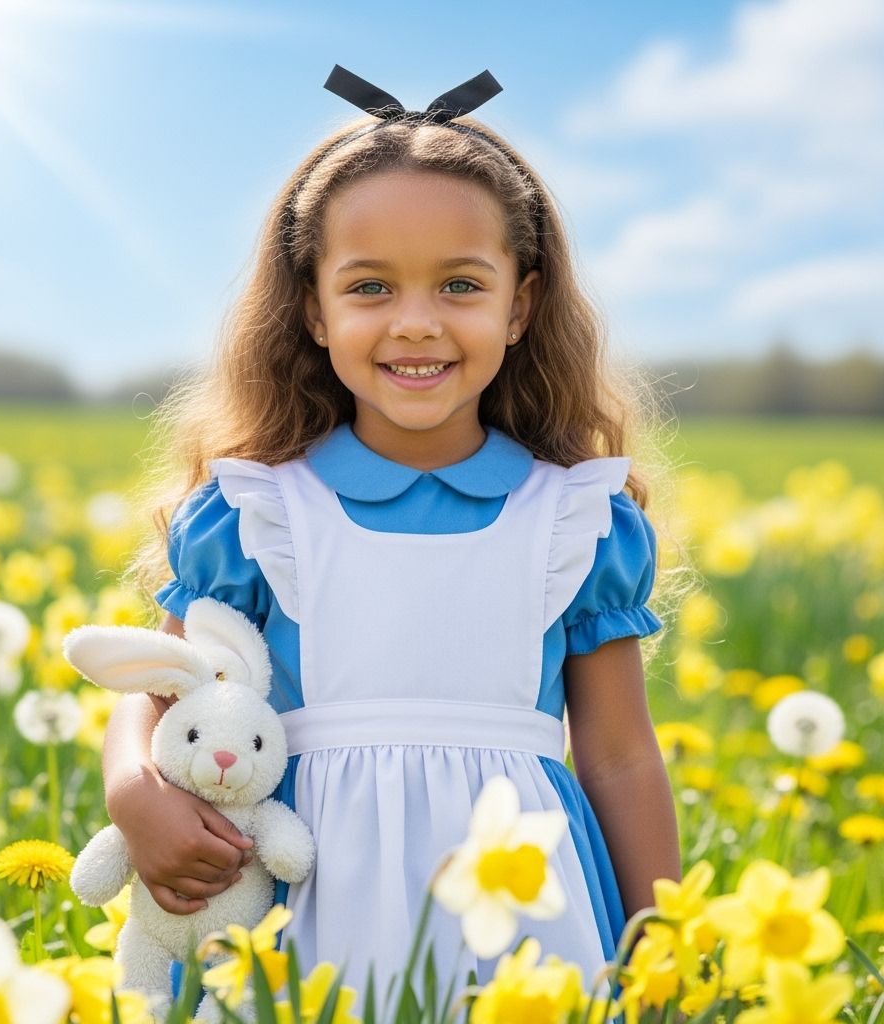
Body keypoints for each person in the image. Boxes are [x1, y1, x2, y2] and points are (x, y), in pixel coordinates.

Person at [104, 65, 681, 999]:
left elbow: (619, 756)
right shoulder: (256, 513)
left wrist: (665, 952)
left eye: (460, 284)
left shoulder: (574, 520)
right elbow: (163, 689)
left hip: (528, 920)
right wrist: (136, 792)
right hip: (305, 906)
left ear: (520, 306)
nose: (416, 323)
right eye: (371, 286)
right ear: (314, 310)